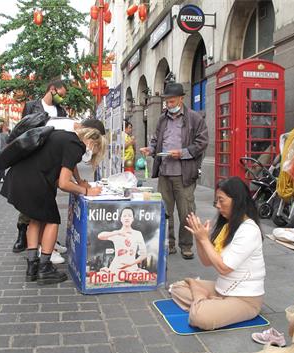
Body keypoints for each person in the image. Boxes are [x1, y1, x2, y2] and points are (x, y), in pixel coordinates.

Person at [0, 127, 107, 284]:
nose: (92, 153)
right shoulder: (77, 146)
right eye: (96, 150)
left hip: (19, 177)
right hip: (35, 182)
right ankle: (45, 269)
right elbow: (63, 183)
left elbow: (70, 165)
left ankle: (32, 267)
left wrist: (78, 180)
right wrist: (85, 191)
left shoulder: (65, 137)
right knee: (52, 220)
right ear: (91, 142)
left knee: (36, 219)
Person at [169, 176, 265, 330]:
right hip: (222, 290)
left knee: (199, 318)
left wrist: (205, 240)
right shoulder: (228, 225)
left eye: (221, 200)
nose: (218, 206)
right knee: (177, 287)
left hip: (244, 299)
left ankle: (202, 298)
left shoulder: (249, 230)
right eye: (216, 201)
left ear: (237, 200)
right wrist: (200, 239)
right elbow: (207, 262)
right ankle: (209, 302)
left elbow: (224, 268)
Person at [140, 82, 209, 260]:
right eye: (167, 102)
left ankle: (186, 245)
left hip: (184, 173)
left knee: (186, 212)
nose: (169, 105)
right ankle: (169, 243)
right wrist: (151, 149)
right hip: (165, 172)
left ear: (181, 99)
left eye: (171, 101)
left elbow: (202, 142)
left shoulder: (194, 118)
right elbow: (157, 140)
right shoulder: (162, 119)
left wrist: (183, 153)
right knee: (165, 211)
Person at [12, 80, 69, 261]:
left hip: (51, 160)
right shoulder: (31, 106)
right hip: (32, 157)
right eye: (61, 93)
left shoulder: (61, 111)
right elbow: (23, 130)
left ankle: (47, 241)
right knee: (30, 202)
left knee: (48, 199)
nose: (62, 97)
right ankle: (23, 234)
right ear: (52, 90)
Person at [97, 207, 148, 276]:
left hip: (132, 267)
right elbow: (100, 236)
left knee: (145, 274)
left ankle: (115, 274)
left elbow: (144, 254)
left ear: (132, 219)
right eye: (124, 216)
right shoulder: (116, 233)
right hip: (117, 267)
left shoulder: (137, 234)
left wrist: (131, 263)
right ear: (121, 219)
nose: (127, 218)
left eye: (129, 216)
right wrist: (118, 233)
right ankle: (111, 272)